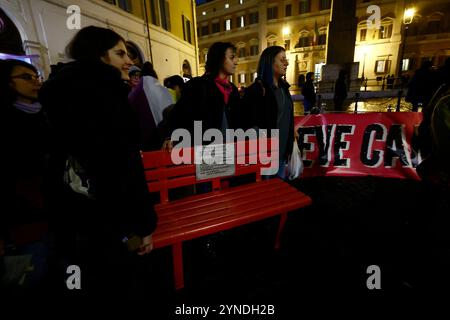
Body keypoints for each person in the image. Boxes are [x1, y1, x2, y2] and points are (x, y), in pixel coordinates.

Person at [39, 26, 157, 297]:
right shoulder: (106, 96)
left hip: (72, 212)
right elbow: (125, 168)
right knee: (120, 282)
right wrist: (144, 226)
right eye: (120, 53)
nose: (129, 60)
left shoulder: (61, 92)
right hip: (110, 216)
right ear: (98, 56)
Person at [0, 59, 51, 294]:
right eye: (26, 77)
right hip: (23, 217)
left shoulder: (46, 115)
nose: (35, 82)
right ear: (8, 83)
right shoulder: (7, 120)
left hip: (55, 210)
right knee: (31, 274)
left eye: (36, 76)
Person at [163, 41, 241, 150]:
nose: (236, 62)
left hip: (229, 153)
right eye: (232, 58)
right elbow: (179, 114)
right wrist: (170, 136)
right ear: (219, 59)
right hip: (204, 153)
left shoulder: (232, 89)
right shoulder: (198, 85)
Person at [242, 46, 296, 179]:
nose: (287, 63)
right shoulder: (257, 90)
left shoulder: (284, 88)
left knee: (280, 192)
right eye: (282, 60)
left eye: (286, 59)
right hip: (265, 157)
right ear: (270, 62)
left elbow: (286, 116)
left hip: (283, 154)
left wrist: (291, 134)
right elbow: (248, 125)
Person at [128, 61, 173, 151]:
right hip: (161, 139)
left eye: (138, 76)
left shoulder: (134, 94)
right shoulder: (162, 90)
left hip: (150, 140)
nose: (136, 78)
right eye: (133, 76)